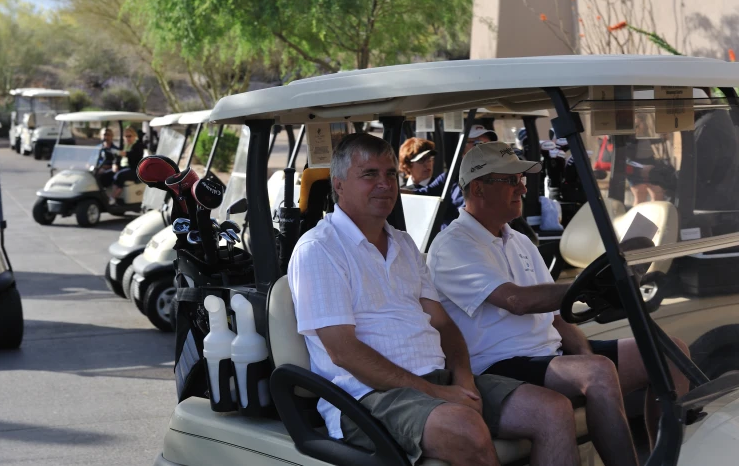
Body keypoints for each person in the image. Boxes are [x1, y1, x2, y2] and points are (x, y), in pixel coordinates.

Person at [289, 133, 580, 466]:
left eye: (390, 174)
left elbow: (442, 323)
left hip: (435, 381)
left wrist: (463, 378)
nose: (385, 184)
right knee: (464, 427)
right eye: (370, 174)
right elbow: (343, 352)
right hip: (367, 398)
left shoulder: (404, 244)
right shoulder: (320, 249)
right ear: (338, 185)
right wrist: (439, 394)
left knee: (553, 409)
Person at [427, 141, 692, 466]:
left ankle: (664, 459)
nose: (522, 187)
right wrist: (591, 287)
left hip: (548, 356)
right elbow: (517, 300)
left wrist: (583, 352)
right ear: (479, 188)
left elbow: (557, 317)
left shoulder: (520, 240)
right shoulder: (453, 245)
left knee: (671, 353)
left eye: (522, 178)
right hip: (497, 365)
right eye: (511, 180)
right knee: (597, 372)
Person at [405, 125, 498, 230]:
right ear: (462, 148)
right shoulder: (449, 178)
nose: (484, 149)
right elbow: (422, 194)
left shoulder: (500, 178)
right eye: (477, 144)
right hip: (451, 240)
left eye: (488, 145)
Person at [109, 126, 144, 205]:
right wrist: (115, 164)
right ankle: (107, 196)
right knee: (107, 173)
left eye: (129, 136)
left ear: (134, 136)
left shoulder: (137, 146)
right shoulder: (124, 146)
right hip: (124, 168)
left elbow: (133, 156)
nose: (128, 138)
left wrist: (123, 153)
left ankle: (113, 197)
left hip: (134, 169)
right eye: (126, 136)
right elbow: (117, 158)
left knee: (119, 175)